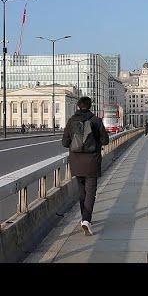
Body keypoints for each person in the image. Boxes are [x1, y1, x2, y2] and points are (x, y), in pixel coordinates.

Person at [61, 96, 110, 236]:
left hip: (76, 162)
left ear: (77, 106)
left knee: (82, 191)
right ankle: (86, 220)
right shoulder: (95, 120)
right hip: (92, 161)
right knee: (91, 192)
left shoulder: (71, 121)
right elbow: (105, 140)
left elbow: (65, 143)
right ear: (90, 106)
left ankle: (84, 218)